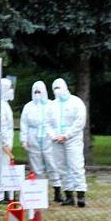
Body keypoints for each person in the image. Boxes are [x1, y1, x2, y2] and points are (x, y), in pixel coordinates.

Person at [20, 80, 62, 202]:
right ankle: (39, 192)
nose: (38, 94)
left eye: (40, 91)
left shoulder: (51, 105)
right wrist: (24, 140)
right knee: (36, 166)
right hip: (33, 138)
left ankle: (57, 190)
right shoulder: (28, 106)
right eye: (35, 91)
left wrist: (56, 135)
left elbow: (56, 123)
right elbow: (24, 124)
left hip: (49, 138)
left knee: (52, 164)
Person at [49, 78, 87, 207]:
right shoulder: (52, 105)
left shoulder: (76, 102)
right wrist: (54, 135)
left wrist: (67, 135)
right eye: (55, 89)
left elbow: (80, 121)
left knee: (76, 165)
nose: (57, 91)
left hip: (73, 139)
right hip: (57, 140)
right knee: (61, 168)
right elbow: (47, 123)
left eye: (59, 88)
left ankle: (81, 194)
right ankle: (69, 195)